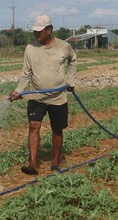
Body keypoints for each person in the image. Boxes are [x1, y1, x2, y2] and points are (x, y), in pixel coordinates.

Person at [8, 14, 77, 175]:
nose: (36, 34)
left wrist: (70, 80)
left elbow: (73, 60)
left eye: (40, 31)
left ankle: (55, 162)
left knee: (57, 129)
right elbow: (26, 74)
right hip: (36, 96)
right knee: (34, 126)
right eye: (35, 31)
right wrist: (18, 90)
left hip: (58, 97)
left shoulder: (63, 46)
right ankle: (33, 164)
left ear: (49, 30)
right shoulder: (30, 49)